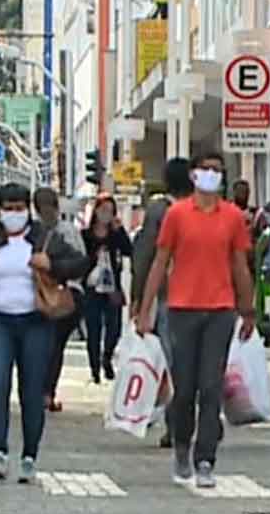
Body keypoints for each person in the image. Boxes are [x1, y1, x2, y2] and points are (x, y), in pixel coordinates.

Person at [0, 184, 89, 483]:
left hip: (35, 321)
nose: (14, 213)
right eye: (8, 207)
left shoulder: (44, 239)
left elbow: (79, 263)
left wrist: (52, 264)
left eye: (19, 207)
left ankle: (29, 455)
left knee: (32, 389)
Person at [135, 150, 257, 488]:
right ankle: (181, 446)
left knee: (211, 386)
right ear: (192, 175)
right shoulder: (177, 215)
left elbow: (239, 266)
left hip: (220, 310)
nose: (210, 175)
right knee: (184, 387)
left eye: (216, 170)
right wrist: (144, 309)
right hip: (182, 309)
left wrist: (248, 309)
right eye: (204, 169)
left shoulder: (232, 217)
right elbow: (160, 262)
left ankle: (206, 458)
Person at [132, 158, 193, 449]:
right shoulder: (205, 207)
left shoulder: (159, 211)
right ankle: (199, 418)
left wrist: (139, 300)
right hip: (208, 297)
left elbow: (145, 255)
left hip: (172, 296)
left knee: (174, 365)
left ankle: (177, 425)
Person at [32, 188, 90, 415]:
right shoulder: (68, 232)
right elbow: (81, 262)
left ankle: (41, 391)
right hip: (66, 296)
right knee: (54, 347)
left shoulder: (35, 232)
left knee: (44, 345)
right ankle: (47, 392)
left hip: (46, 295)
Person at [81, 192, 131, 384]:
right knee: (93, 330)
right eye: (103, 210)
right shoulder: (86, 236)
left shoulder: (115, 235)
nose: (106, 214)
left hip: (112, 290)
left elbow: (128, 251)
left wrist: (121, 231)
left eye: (110, 211)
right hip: (92, 289)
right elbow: (80, 259)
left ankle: (107, 357)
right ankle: (94, 368)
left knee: (114, 329)